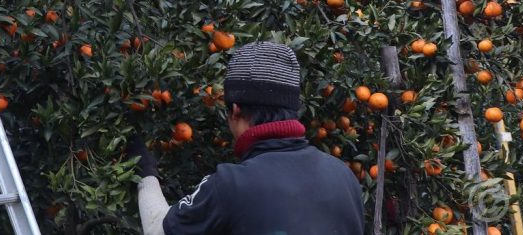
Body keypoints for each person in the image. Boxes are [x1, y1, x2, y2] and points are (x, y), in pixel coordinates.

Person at [130, 41, 365, 234]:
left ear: (235, 111)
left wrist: (145, 170)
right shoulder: (344, 178)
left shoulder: (231, 185)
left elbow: (157, 230)